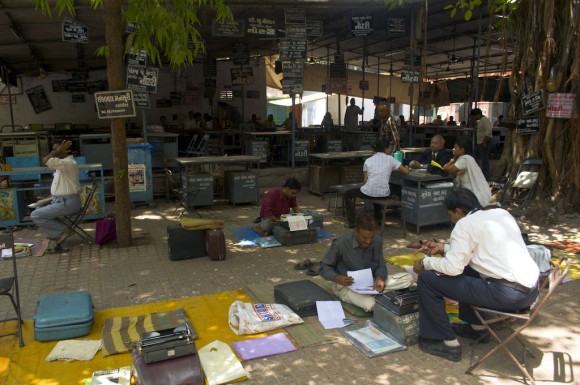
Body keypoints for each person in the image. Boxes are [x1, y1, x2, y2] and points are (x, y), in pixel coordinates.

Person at [412, 188, 539, 362]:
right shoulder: (500, 213)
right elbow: (479, 251)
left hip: (508, 295)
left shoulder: (464, 225)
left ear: (458, 211)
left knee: (428, 279)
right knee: (468, 268)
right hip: (530, 291)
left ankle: (445, 342)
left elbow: (453, 267)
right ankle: (477, 327)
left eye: (451, 215)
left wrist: (424, 263)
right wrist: (444, 248)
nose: (452, 219)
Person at [343, 139, 409, 228]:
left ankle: (352, 222)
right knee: (380, 192)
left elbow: (365, 181)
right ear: (386, 149)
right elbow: (405, 171)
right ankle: (378, 219)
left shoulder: (368, 160)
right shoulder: (391, 159)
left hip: (369, 192)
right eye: (389, 148)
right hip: (384, 194)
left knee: (347, 194)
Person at [31, 140, 81, 250]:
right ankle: (60, 231)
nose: (54, 152)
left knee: (36, 215)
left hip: (68, 202)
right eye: (53, 150)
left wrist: (55, 153)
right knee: (39, 207)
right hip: (61, 200)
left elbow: (46, 160)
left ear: (66, 151)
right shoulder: (63, 163)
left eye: (56, 149)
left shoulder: (68, 163)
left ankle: (64, 231)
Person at [442, 137, 492, 207]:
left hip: (472, 194)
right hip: (469, 192)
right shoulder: (467, 159)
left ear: (462, 150)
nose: (453, 149)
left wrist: (453, 160)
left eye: (455, 148)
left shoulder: (465, 159)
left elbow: (446, 168)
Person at [470, 108, 492, 180]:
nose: (473, 118)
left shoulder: (485, 120)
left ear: (477, 115)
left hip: (484, 142)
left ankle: (486, 176)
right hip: (480, 142)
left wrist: (485, 142)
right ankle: (478, 173)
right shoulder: (481, 121)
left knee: (484, 160)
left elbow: (488, 132)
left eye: (473, 116)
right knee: (475, 157)